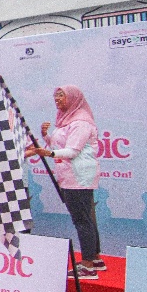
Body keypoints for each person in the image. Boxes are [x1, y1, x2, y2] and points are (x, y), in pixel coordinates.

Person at [25, 85, 103, 279]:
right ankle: (95, 258)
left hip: (79, 176)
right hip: (70, 176)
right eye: (56, 96)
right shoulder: (66, 121)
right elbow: (59, 145)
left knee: (82, 219)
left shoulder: (81, 123)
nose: (57, 99)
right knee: (85, 217)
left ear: (74, 98)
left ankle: (87, 265)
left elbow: (72, 151)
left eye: (61, 95)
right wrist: (46, 136)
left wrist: (49, 153)